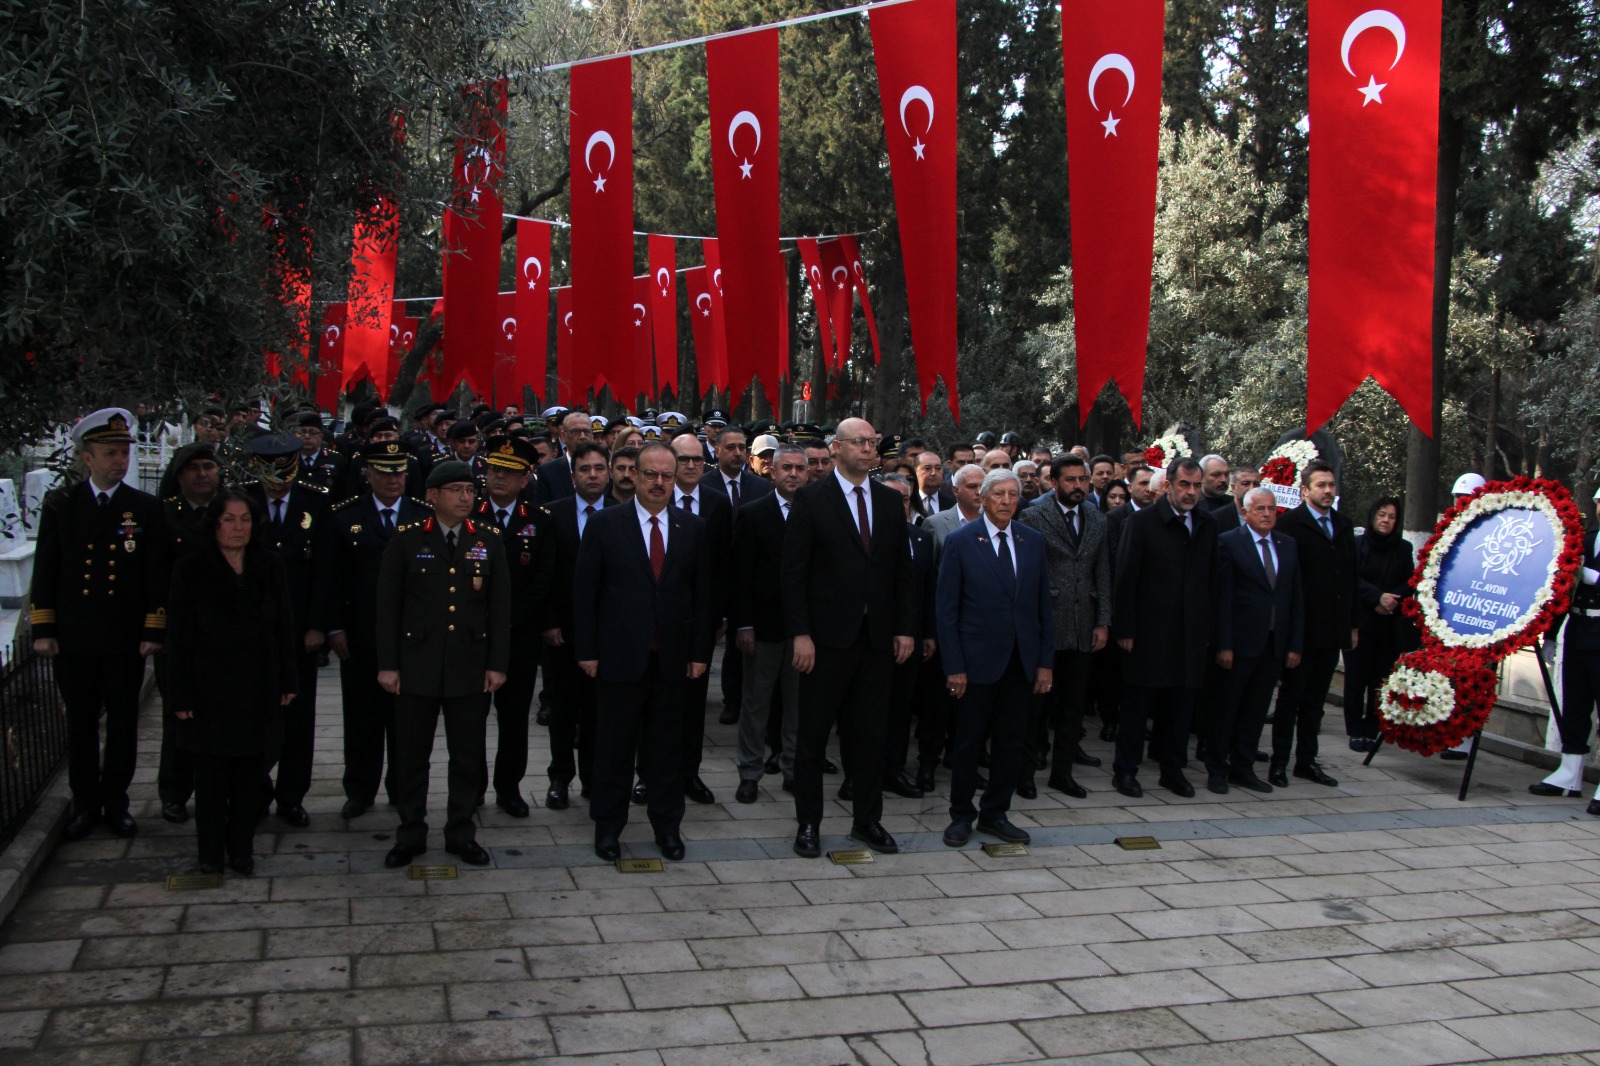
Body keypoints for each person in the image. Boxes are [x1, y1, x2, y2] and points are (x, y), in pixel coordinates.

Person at [30, 408, 167, 841]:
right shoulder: (62, 506)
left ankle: (116, 802)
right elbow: (47, 569)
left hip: (124, 636)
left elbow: (154, 574)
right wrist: (43, 628)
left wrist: (152, 628)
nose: (120, 461)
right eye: (110, 453)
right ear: (87, 458)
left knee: (124, 723)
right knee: (82, 723)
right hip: (75, 635)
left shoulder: (143, 507)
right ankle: (85, 802)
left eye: (124, 452)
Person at [782, 419, 916, 859]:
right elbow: (794, 573)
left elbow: (901, 571)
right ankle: (808, 823)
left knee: (871, 735)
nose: (869, 448)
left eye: (874, 442)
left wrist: (904, 628)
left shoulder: (887, 499)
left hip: (876, 639)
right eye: (860, 441)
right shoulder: (812, 498)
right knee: (814, 736)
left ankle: (867, 820)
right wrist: (801, 633)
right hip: (824, 640)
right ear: (836, 448)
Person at [574, 442, 714, 862]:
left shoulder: (693, 528)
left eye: (667, 476)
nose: (659, 483)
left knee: (666, 750)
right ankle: (608, 828)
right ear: (633, 474)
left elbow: (703, 596)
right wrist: (588, 650)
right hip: (618, 657)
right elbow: (585, 593)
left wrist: (699, 652)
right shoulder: (606, 525)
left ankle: (667, 827)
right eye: (650, 474)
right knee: (614, 748)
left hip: (671, 660)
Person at [377, 461, 511, 869]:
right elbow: (388, 606)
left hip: (469, 664)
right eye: (455, 490)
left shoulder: (487, 538)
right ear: (432, 497)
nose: (465, 497)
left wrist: (497, 663)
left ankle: (461, 832)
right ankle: (410, 832)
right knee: (411, 756)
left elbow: (499, 606)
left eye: (470, 490)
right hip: (415, 663)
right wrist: (388, 664)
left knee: (468, 755)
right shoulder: (406, 538)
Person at [166, 491, 298, 874]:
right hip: (210, 690)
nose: (237, 527)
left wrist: (288, 678)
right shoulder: (191, 570)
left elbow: (283, 625)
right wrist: (181, 693)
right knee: (211, 779)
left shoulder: (269, 566)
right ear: (214, 524)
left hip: (257, 687)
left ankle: (241, 849)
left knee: (248, 777)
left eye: (244, 519)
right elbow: (179, 636)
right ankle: (209, 852)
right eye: (229, 519)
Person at [937, 468, 1053, 846]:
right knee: (968, 743)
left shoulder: (1032, 540)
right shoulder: (962, 541)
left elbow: (1041, 609)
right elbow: (947, 611)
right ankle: (960, 815)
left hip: (1021, 663)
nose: (1006, 501)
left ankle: (995, 813)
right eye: (998, 494)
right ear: (982, 498)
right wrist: (954, 666)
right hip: (975, 664)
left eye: (1012, 495)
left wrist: (1044, 663)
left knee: (1011, 742)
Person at [325, 441, 429, 819]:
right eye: (385, 472)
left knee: (407, 722)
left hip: (411, 638)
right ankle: (360, 789)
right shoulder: (343, 516)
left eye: (399, 472)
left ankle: (403, 789)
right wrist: (334, 627)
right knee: (361, 718)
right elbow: (332, 578)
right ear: (367, 474)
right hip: (361, 634)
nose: (393, 479)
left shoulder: (424, 517)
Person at [1110, 457, 1219, 798]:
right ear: (1168, 486)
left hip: (1189, 633)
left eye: (1196, 486)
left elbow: (1212, 580)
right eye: (1184, 485)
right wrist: (1125, 629)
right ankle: (1125, 771)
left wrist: (1208, 629)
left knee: (1180, 707)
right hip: (1149, 632)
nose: (1191, 492)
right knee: (1137, 707)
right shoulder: (1141, 524)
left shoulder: (1207, 524)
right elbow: (1125, 579)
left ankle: (1172, 770)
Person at [244, 433, 332, 828]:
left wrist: (317, 625)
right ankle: (255, 790)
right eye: (270, 470)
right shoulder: (242, 503)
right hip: (254, 630)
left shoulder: (315, 501)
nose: (278, 479)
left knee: (299, 718)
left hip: (299, 630)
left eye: (286, 468)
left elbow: (324, 571)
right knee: (255, 714)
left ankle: (292, 796)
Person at [1016, 455, 1110, 799]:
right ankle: (1024, 773)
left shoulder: (1098, 520)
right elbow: (1027, 574)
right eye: (1070, 480)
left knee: (1073, 707)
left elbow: (1102, 573)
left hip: (1083, 624)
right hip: (1045, 625)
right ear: (1054, 482)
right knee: (1035, 706)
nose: (1078, 486)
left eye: (1082, 479)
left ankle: (1063, 773)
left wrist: (1103, 621)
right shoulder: (1033, 516)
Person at [532, 441, 615, 809]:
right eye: (585, 469)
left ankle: (595, 781)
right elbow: (543, 577)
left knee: (600, 713)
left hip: (607, 635)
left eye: (599, 468)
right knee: (564, 712)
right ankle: (559, 779)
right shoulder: (551, 515)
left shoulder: (623, 514)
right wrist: (548, 623)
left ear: (610, 473)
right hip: (563, 634)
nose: (593, 475)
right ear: (572, 476)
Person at [1269, 459, 1358, 788]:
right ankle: (1279, 762)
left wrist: (1351, 624)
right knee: (1291, 700)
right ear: (1305, 490)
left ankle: (1306, 760)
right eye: (1321, 486)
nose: (1328, 491)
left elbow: (1349, 577)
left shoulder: (1343, 525)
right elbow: (1285, 583)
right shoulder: (1290, 525)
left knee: (1315, 702)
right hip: (1301, 630)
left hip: (1330, 629)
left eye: (1332, 486)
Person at [1210, 487, 1304, 794]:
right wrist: (1224, 644)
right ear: (1246, 512)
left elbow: (1295, 598)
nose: (1266, 514)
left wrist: (1293, 645)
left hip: (1273, 644)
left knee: (1256, 709)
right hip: (1239, 643)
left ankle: (1243, 766)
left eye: (1271, 509)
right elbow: (1222, 598)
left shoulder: (1287, 545)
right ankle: (1217, 768)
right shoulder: (1229, 543)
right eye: (1260, 509)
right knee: (1226, 709)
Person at [471, 435, 544, 816]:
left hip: (520, 635)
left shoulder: (538, 520)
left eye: (509, 472)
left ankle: (509, 788)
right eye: (495, 469)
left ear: (525, 479)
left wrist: (510, 619)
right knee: (471, 718)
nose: (499, 477)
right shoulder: (470, 516)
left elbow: (543, 581)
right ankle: (472, 788)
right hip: (474, 635)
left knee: (514, 719)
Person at [731, 444, 809, 800]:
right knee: (756, 702)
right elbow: (740, 574)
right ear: (772, 472)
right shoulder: (752, 513)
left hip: (804, 629)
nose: (793, 474)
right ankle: (750, 772)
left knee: (797, 705)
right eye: (786, 468)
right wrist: (743, 624)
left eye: (799, 468)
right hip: (762, 626)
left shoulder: (818, 511)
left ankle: (793, 769)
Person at [155, 441, 221, 824]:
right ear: (179, 476)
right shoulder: (163, 516)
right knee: (178, 714)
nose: (202, 474)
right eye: (193, 467)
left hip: (226, 635)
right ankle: (176, 792)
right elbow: (153, 576)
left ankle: (229, 790)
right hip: (181, 633)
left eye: (208, 466)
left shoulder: (235, 511)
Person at [668, 432, 733, 802]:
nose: (692, 465)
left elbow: (724, 563)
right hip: (661, 619)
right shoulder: (654, 499)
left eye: (697, 459)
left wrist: (720, 614)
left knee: (694, 705)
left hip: (700, 620)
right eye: (684, 459)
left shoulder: (716, 503)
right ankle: (650, 772)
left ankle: (689, 774)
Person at [1532, 485, 1600, 805]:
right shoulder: (1585, 540)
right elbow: (1563, 589)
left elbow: (1584, 577)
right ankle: (1570, 773)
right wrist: (1550, 634)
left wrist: (1593, 576)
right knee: (1574, 704)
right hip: (1577, 630)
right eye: (1599, 503)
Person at [872, 474, 933, 801]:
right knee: (866, 711)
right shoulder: (865, 537)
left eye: (905, 499)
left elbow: (925, 592)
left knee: (900, 711)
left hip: (909, 640)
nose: (900, 506)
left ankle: (893, 770)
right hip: (871, 638)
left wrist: (926, 635)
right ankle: (858, 773)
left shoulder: (921, 539)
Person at [1344, 496, 1415, 752]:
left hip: (1389, 624)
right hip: (1360, 622)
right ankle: (1354, 730)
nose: (1386, 520)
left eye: (1392, 516)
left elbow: (1410, 581)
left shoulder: (1404, 548)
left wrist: (1390, 600)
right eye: (1382, 515)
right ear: (1373, 517)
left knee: (1380, 679)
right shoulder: (1357, 544)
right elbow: (1351, 578)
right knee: (1356, 678)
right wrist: (1377, 597)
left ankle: (1372, 728)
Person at [532, 411, 594, 503]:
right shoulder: (548, 471)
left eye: (587, 431)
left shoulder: (603, 467)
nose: (582, 436)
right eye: (575, 431)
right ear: (563, 436)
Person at [924, 464, 984, 550]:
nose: (979, 492)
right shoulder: (935, 524)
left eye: (982, 486)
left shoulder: (996, 521)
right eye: (972, 486)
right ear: (956, 491)